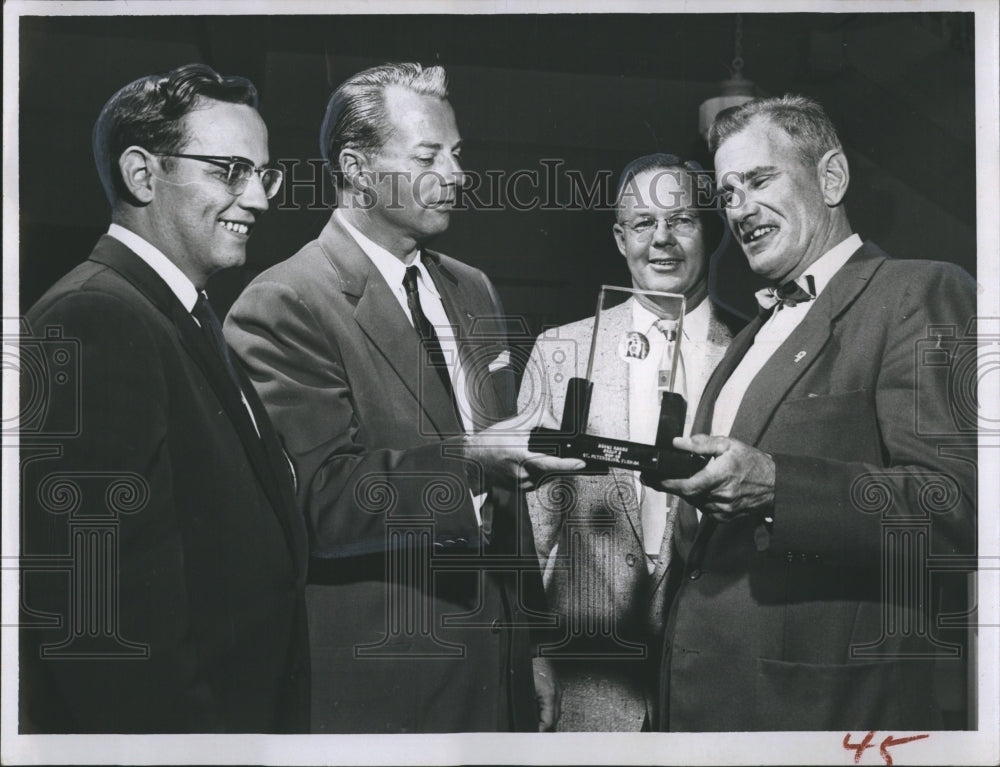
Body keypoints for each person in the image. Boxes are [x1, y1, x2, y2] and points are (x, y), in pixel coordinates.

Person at [224, 62, 584, 733]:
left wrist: (533, 646)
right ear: (357, 168)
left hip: (496, 676)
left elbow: (506, 503)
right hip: (386, 690)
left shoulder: (472, 289)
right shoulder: (283, 303)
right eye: (428, 155)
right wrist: (472, 459)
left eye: (456, 153)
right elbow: (319, 500)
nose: (456, 173)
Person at [655, 95, 977, 731]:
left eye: (759, 179)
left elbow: (959, 509)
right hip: (700, 706)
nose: (739, 208)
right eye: (726, 193)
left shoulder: (919, 290)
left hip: (818, 713)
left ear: (831, 177)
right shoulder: (752, 331)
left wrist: (777, 484)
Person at [19, 63, 309, 733]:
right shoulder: (94, 319)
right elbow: (105, 634)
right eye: (229, 171)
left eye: (263, 174)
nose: (260, 199)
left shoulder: (179, 316)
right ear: (142, 175)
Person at [517, 153, 744, 730]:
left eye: (682, 220)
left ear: (710, 233)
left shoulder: (752, 351)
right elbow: (532, 529)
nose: (662, 240)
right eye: (644, 223)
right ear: (621, 238)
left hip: (715, 682)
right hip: (585, 683)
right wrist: (532, 650)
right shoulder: (561, 349)